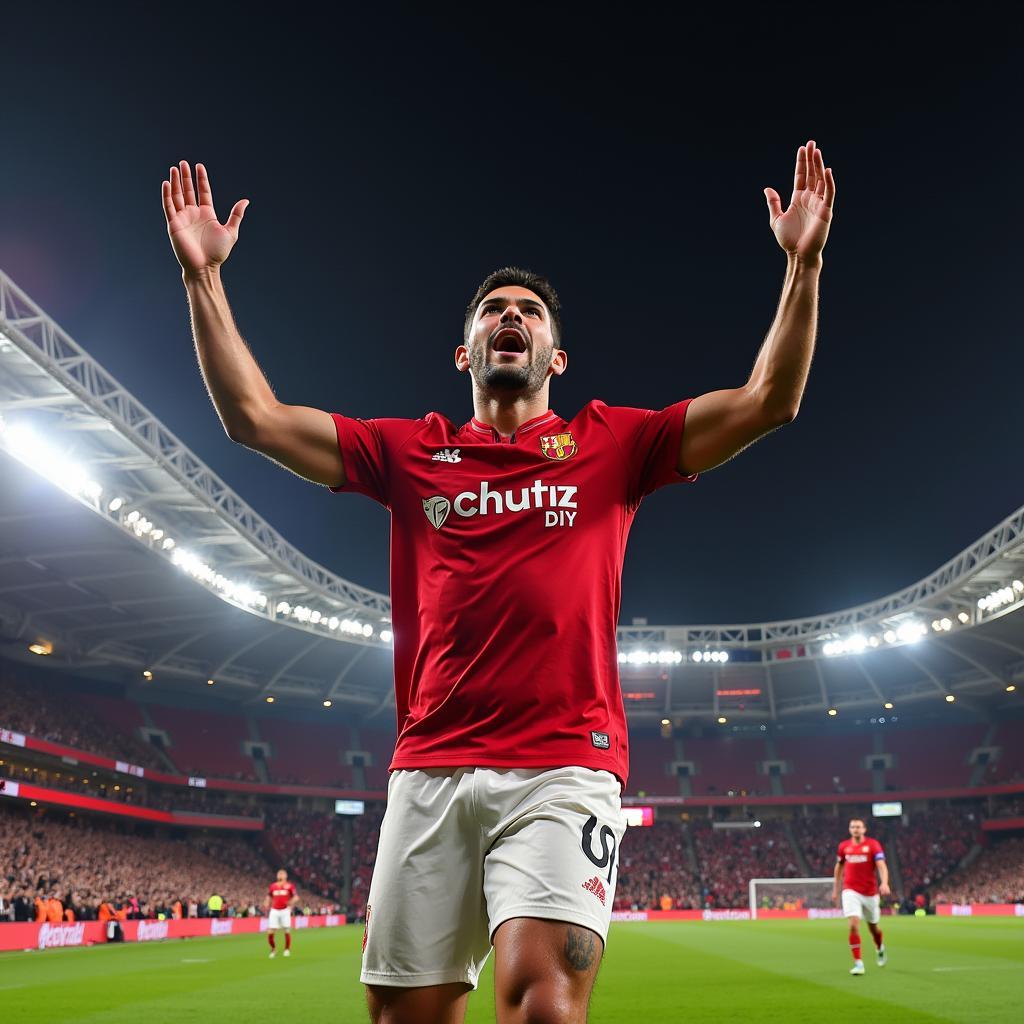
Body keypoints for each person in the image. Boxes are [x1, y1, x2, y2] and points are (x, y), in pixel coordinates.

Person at [162, 140, 834, 1024]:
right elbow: (254, 418)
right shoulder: (407, 450)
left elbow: (768, 400)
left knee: (544, 1005)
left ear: (557, 356)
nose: (509, 316)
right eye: (492, 310)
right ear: (464, 350)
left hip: (564, 762)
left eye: (527, 312)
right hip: (429, 768)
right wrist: (203, 280)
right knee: (407, 1016)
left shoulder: (613, 443)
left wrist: (804, 262)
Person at [832, 817, 890, 975]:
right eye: (852, 827)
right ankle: (858, 963)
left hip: (870, 892)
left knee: (873, 928)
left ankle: (879, 947)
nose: (855, 829)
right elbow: (839, 867)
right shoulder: (843, 846)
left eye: (858, 827)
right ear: (849, 829)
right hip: (850, 890)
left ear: (864, 829)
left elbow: (881, 866)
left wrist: (884, 883)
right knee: (853, 924)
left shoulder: (873, 845)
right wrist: (835, 889)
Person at [265, 868, 298, 959]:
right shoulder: (273, 886)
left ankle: (287, 949)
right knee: (270, 932)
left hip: (285, 911)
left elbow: (296, 897)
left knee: (286, 930)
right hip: (274, 910)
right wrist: (267, 902)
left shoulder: (289, 886)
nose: (280, 875)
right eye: (279, 874)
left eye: (282, 874)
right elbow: (269, 896)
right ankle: (273, 949)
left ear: (286, 876)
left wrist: (290, 902)